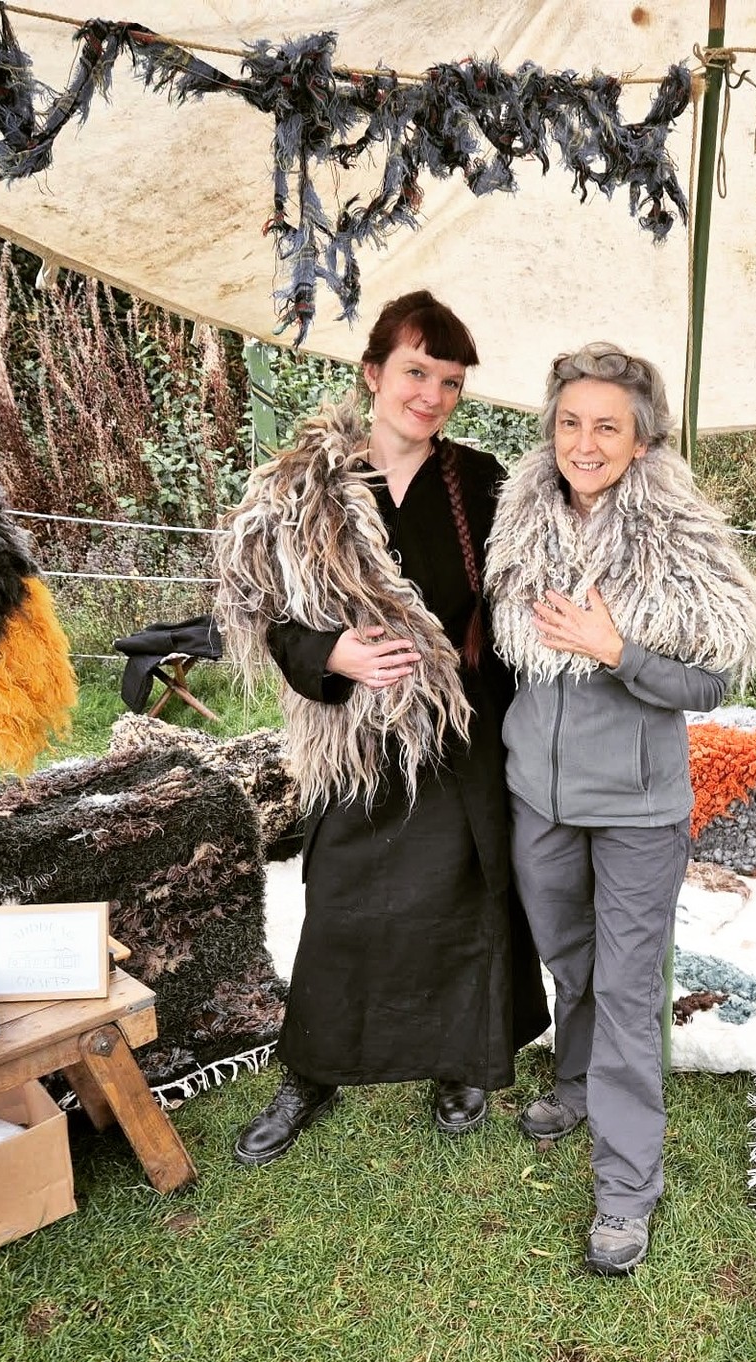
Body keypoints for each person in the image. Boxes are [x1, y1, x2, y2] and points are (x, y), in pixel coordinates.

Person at [216, 290, 549, 1165]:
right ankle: (312, 1071)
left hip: (460, 733)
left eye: (449, 380)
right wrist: (335, 654)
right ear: (372, 374)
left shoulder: (480, 483)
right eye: (414, 372)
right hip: (358, 743)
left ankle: (461, 1061)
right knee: (342, 903)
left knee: (464, 901)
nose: (431, 394)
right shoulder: (305, 491)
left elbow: (517, 604)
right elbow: (266, 617)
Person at [484, 343, 756, 1274]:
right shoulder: (520, 521)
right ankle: (574, 1081)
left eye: (607, 425)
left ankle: (624, 1183)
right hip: (539, 793)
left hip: (639, 807)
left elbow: (711, 679)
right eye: (570, 421)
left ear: (642, 441)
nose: (585, 441)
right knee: (569, 955)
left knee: (631, 983)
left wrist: (617, 651)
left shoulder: (678, 538)